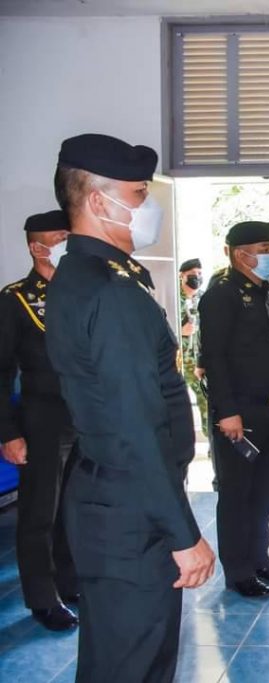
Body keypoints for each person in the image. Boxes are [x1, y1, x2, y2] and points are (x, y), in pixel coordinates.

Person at [46, 133, 215, 682]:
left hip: (116, 498)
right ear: (99, 201)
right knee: (133, 664)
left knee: (121, 659)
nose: (149, 206)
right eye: (139, 194)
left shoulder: (92, 273)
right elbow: (134, 427)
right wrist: (183, 534)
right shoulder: (111, 291)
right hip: (130, 510)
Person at [198, 221, 269, 598]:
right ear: (240, 254)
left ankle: (260, 560)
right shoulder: (221, 294)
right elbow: (215, 357)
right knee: (237, 494)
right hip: (239, 412)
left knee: (266, 491)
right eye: (264, 249)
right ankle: (238, 572)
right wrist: (226, 411)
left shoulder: (266, 289)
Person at [0, 209, 79, 631]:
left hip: (83, 416)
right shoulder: (15, 299)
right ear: (37, 247)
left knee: (73, 507)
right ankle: (42, 597)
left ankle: (69, 581)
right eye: (59, 238)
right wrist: (8, 433)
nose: (68, 244)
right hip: (42, 418)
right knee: (40, 512)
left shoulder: (82, 290)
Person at [178, 257, 208, 437]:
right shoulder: (173, 296)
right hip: (176, 359)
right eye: (192, 274)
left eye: (199, 273)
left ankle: (211, 441)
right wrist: (180, 331)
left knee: (205, 399)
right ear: (182, 275)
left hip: (196, 361)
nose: (196, 277)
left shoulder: (203, 298)